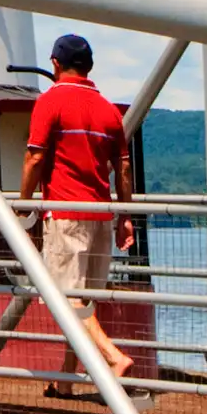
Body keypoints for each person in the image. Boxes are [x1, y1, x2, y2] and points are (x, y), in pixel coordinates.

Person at [20, 33, 135, 378]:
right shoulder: (109, 110)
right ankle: (68, 377)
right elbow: (124, 169)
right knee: (82, 300)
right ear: (90, 66)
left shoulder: (50, 102)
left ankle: (113, 357)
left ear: (55, 63)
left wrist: (22, 204)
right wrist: (124, 218)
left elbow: (35, 156)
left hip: (66, 213)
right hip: (101, 215)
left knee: (67, 300)